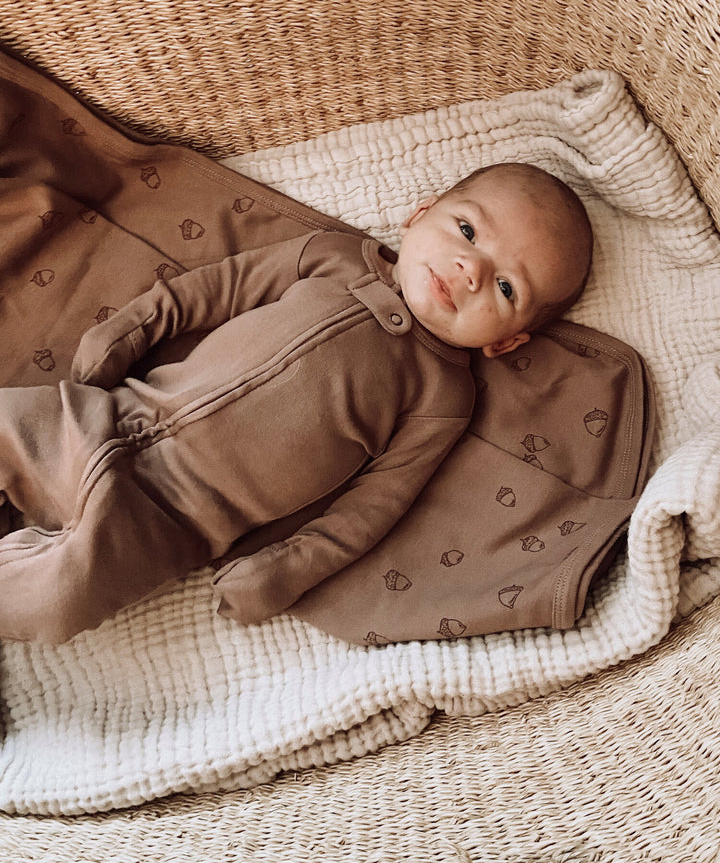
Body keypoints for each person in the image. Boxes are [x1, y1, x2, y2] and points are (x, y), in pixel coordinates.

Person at [0, 162, 593, 643]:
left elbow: (372, 508)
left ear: (506, 341)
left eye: (506, 287)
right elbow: (220, 287)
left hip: (167, 522)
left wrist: (287, 570)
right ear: (421, 214)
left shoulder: (443, 397)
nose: (470, 269)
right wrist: (133, 329)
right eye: (467, 231)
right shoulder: (332, 257)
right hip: (105, 415)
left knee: (60, 597)